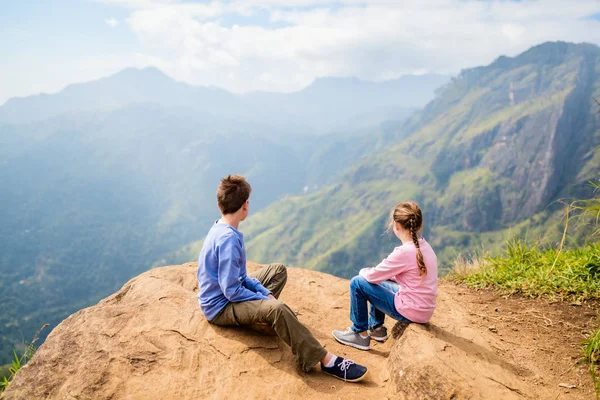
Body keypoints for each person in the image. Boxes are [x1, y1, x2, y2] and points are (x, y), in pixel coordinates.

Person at [197, 174, 368, 382]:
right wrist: (265, 302)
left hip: (228, 294)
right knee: (278, 310)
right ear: (245, 205)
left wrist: (265, 293)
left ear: (219, 205)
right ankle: (325, 360)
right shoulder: (228, 240)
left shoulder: (222, 228)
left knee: (278, 271)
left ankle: (265, 317)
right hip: (220, 307)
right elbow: (231, 291)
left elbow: (241, 278)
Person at [332, 201, 438, 350]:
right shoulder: (425, 247)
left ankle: (359, 334)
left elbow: (371, 277)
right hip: (424, 309)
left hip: (411, 310)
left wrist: (364, 271)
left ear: (396, 225)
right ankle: (376, 328)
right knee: (383, 279)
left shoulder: (403, 252)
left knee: (357, 282)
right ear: (419, 225)